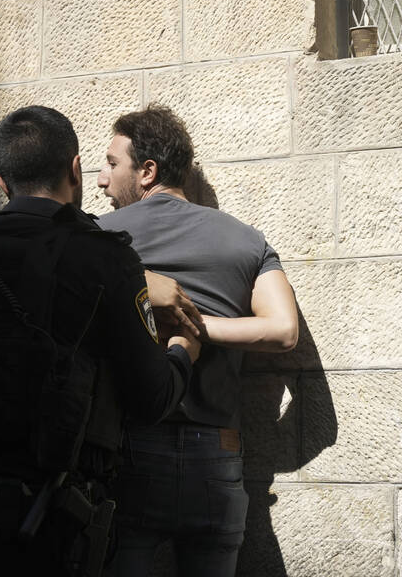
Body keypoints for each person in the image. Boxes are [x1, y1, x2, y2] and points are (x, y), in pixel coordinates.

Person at [0, 105, 202, 577]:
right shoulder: (105, 257)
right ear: (74, 168)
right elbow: (150, 399)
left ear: (2, 181)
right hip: (47, 525)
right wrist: (182, 353)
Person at [95, 104, 299, 577]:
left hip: (128, 452)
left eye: (111, 163)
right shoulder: (246, 241)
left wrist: (181, 321)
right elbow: (284, 330)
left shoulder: (99, 241)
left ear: (147, 171)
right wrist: (202, 327)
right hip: (218, 456)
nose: (102, 179)